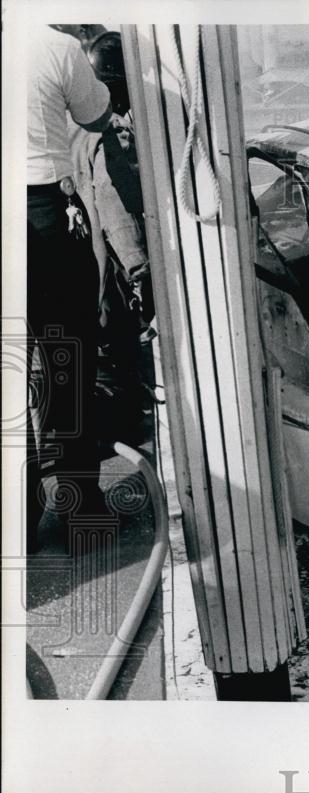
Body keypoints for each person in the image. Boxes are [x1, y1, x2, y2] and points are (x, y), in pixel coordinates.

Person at [26, 25, 113, 550]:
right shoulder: (53, 46)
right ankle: (82, 515)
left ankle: (17, 526)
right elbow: (96, 115)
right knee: (67, 360)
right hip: (42, 216)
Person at [69, 30, 151, 446]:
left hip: (87, 272)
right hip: (114, 273)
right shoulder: (109, 137)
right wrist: (142, 272)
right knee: (120, 352)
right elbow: (115, 204)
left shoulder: (75, 129)